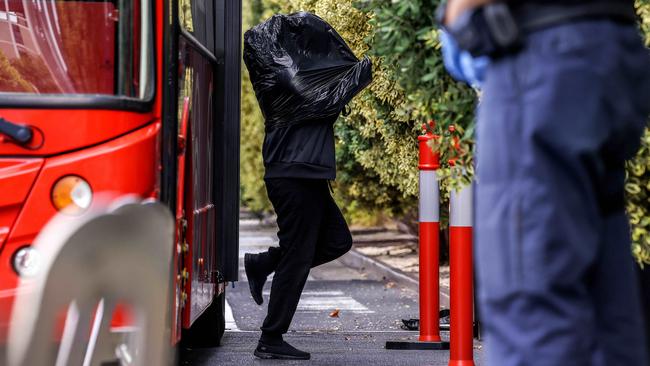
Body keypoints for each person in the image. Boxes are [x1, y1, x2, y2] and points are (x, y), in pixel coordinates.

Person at [441, 0, 650, 365]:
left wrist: (459, 14)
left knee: (533, 312)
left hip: (540, 53)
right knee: (607, 319)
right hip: (606, 41)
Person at [242, 13, 372, 360]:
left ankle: (266, 263)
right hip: (294, 175)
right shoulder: (289, 80)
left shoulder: (295, 76)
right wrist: (374, 61)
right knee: (298, 258)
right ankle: (270, 338)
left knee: (337, 241)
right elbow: (329, 98)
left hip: (305, 174)